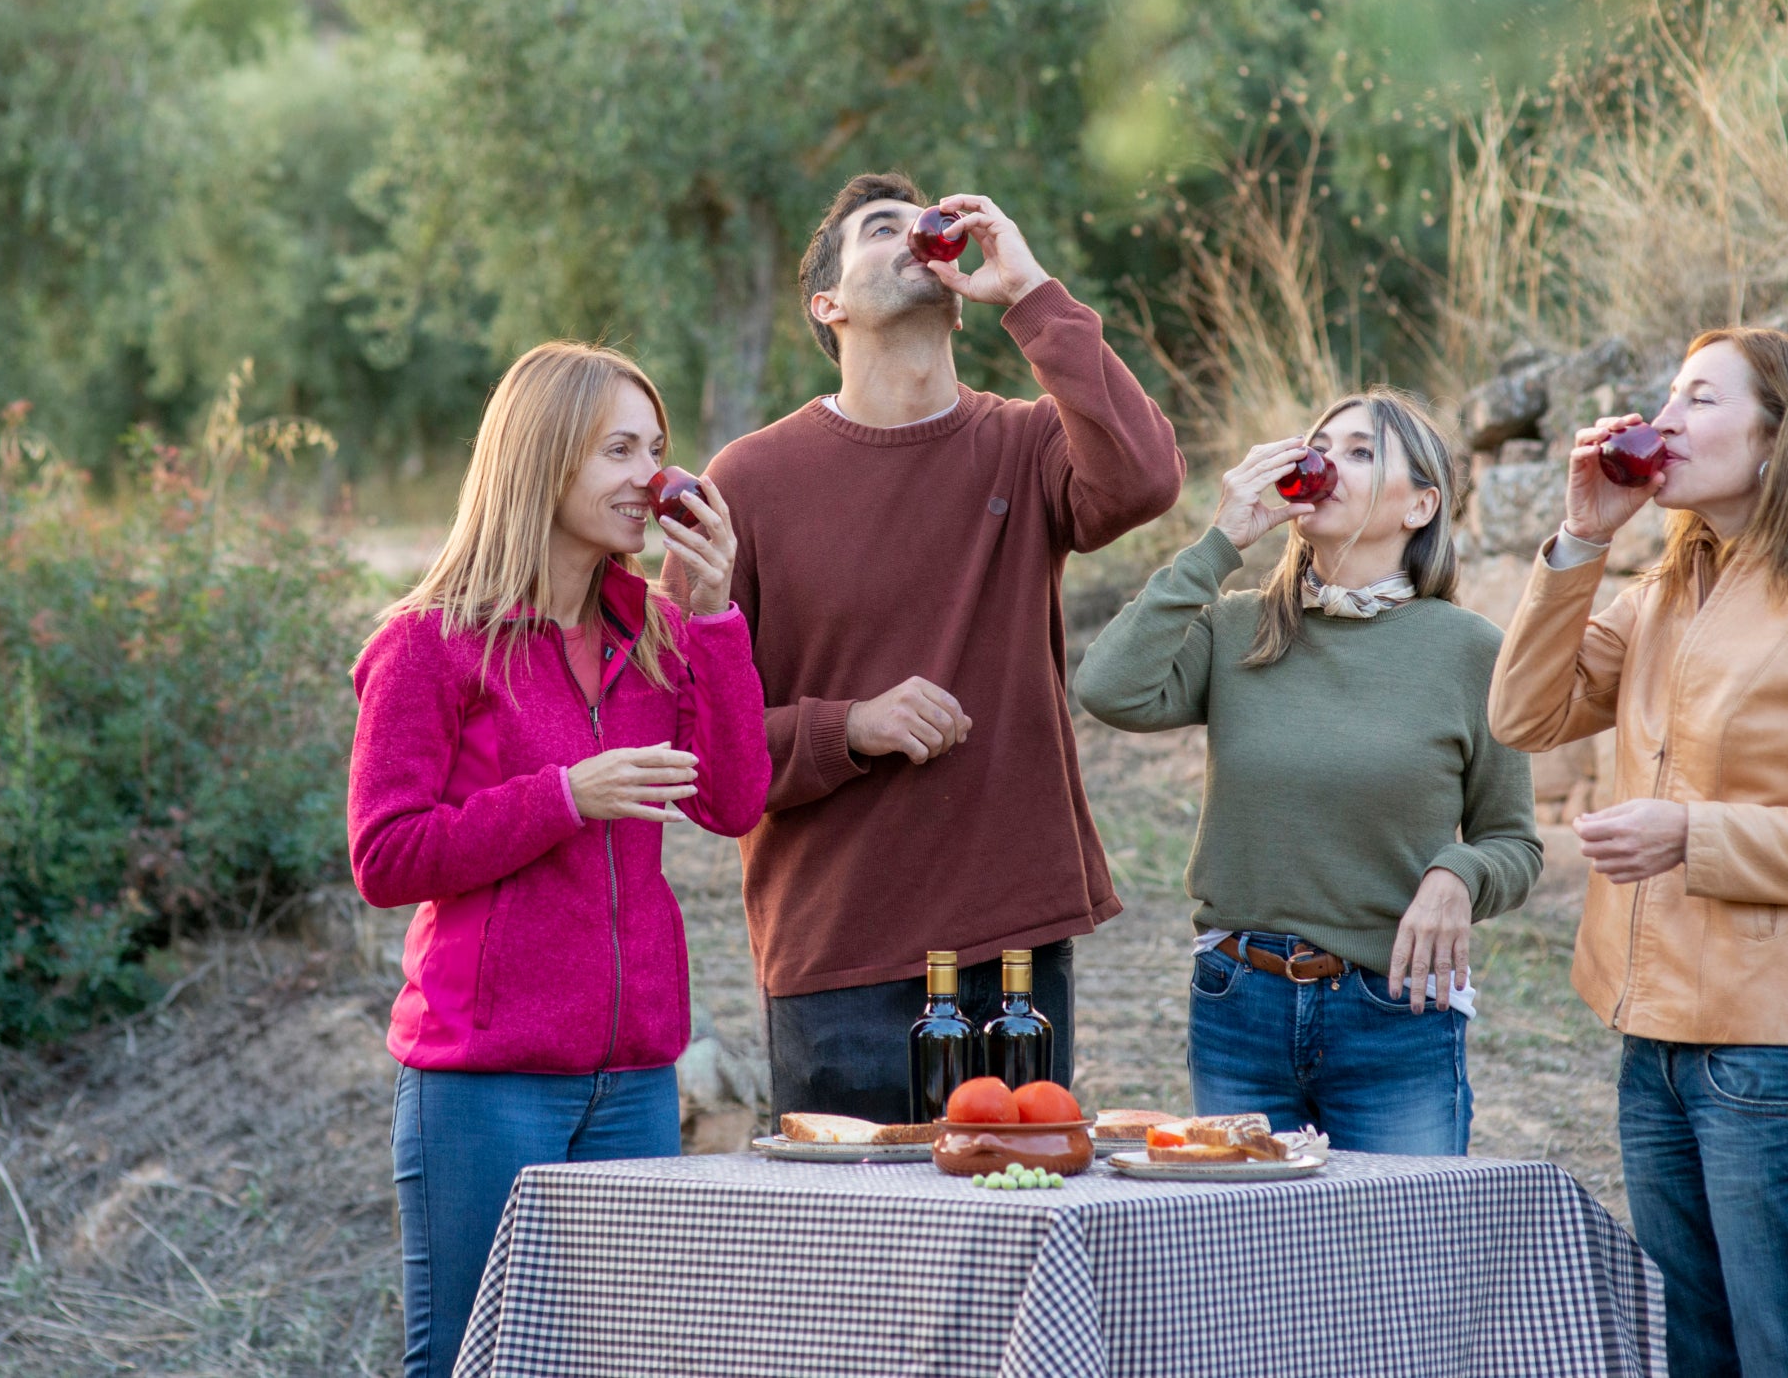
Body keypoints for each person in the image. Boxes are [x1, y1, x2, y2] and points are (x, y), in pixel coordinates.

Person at [1488, 327, 1788, 1378]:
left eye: (1699, 399)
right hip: (1650, 1040)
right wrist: (1579, 540)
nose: (1662, 421)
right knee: (1692, 1355)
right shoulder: (1661, 592)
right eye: (1668, 396)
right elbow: (1523, 714)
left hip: (1777, 1052)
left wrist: (1694, 834)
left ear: (1779, 437)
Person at [674, 173, 1183, 1122]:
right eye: (882, 229)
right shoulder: (748, 480)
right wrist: (848, 728)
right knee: (859, 1219)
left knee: (1015, 1199)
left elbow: (1147, 478)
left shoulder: (1029, 442)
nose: (919, 234)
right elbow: (692, 740)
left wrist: (1032, 295)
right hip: (839, 955)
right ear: (827, 305)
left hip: (1016, 942)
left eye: (928, 224)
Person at [347, 342, 771, 1378]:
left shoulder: (657, 632)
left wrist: (716, 613)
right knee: (474, 1358)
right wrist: (563, 797)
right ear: (541, 459)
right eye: (618, 450)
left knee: (619, 1362)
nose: (651, 476)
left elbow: (731, 800)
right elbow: (385, 856)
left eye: (655, 449)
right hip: (484, 1083)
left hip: (636, 1079)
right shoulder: (429, 642)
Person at [1076, 388, 1538, 1152]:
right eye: (1319, 446)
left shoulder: (1471, 650)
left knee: (1399, 1232)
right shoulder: (1239, 627)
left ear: (1420, 505)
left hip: (1395, 1010)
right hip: (1238, 1003)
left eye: (1361, 451)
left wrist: (1458, 875)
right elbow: (1108, 687)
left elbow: (1513, 843)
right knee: (1249, 1231)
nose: (1326, 461)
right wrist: (1221, 540)